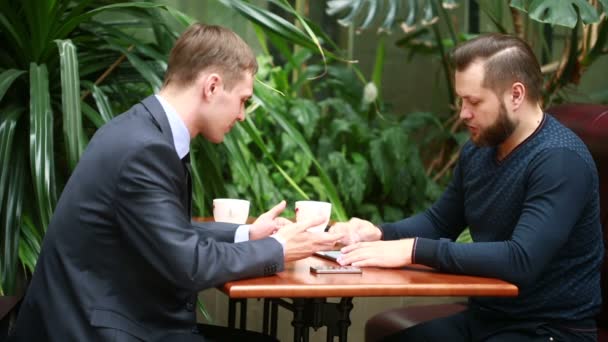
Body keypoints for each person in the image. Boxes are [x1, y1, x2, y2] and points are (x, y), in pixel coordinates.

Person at [10, 24, 342, 342]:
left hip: (106, 317)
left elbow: (167, 235)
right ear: (212, 87)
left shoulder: (138, 130)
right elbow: (189, 265)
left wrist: (247, 234)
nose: (242, 115)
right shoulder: (145, 149)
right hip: (95, 331)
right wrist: (279, 249)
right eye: (243, 99)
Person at [330, 33, 603, 341]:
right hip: (486, 319)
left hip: (549, 329)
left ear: (516, 95)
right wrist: (381, 234)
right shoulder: (481, 146)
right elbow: (440, 221)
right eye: (462, 100)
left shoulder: (559, 161)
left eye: (474, 102)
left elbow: (521, 260)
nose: (463, 114)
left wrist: (415, 250)